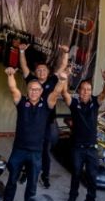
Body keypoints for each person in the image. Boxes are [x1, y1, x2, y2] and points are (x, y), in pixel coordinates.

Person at [2, 67, 66, 201]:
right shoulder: (21, 102)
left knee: (32, 185)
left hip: (36, 152)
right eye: (31, 89)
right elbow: (13, 89)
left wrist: (61, 81)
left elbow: (55, 92)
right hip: (18, 150)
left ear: (41, 91)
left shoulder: (47, 104)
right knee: (12, 180)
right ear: (27, 90)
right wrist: (10, 75)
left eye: (37, 89)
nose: (34, 92)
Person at [19, 43, 69, 188]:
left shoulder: (53, 80)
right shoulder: (32, 81)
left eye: (44, 70)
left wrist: (65, 53)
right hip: (32, 123)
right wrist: (22, 51)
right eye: (39, 70)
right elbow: (24, 67)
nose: (41, 72)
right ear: (36, 72)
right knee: (28, 148)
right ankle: (25, 173)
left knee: (46, 151)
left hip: (48, 123)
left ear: (48, 72)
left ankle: (45, 176)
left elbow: (62, 67)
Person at [59, 70, 105, 201]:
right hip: (77, 147)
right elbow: (64, 93)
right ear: (79, 91)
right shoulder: (74, 103)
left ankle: (90, 199)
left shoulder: (95, 102)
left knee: (92, 175)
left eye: (89, 89)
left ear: (91, 91)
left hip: (92, 148)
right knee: (76, 172)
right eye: (83, 89)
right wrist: (64, 79)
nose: (86, 92)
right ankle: (73, 196)